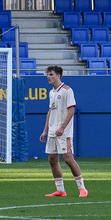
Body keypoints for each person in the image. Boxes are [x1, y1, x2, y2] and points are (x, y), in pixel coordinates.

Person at [39, 65, 88, 198]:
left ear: (59, 76)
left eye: (51, 74)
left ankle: (82, 188)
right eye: (48, 74)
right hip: (52, 132)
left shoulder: (67, 91)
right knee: (52, 160)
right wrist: (45, 130)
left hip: (64, 132)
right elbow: (50, 111)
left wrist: (62, 128)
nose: (48, 77)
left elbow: (71, 110)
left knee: (68, 159)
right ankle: (60, 190)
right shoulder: (51, 92)